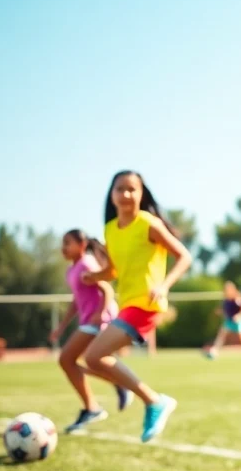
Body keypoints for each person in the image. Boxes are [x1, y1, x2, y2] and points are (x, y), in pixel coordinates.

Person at [82, 171, 193, 442]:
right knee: (95, 358)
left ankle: (152, 400)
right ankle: (144, 396)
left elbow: (184, 256)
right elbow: (114, 270)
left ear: (141, 194)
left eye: (133, 189)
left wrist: (164, 285)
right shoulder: (109, 229)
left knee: (93, 356)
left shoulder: (148, 223)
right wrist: (94, 277)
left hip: (147, 303)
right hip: (127, 304)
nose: (127, 195)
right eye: (121, 189)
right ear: (112, 194)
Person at [49, 228, 131, 433]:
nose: (63, 248)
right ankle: (117, 386)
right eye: (62, 243)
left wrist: (101, 313)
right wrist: (61, 327)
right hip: (88, 320)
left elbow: (107, 289)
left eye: (68, 243)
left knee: (67, 360)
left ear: (82, 245)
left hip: (99, 319)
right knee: (79, 362)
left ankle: (94, 406)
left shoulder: (87, 263)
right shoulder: (72, 270)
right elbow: (76, 301)